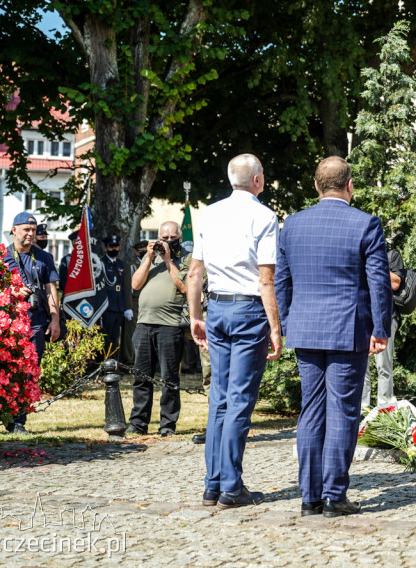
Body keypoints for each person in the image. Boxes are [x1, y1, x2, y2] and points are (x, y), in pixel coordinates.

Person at [275, 157, 392, 518]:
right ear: (350, 185)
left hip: (306, 329)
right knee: (342, 411)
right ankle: (334, 496)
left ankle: (309, 497)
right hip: (347, 329)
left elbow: (282, 281)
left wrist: (284, 324)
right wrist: (381, 328)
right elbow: (378, 282)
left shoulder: (292, 225)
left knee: (310, 411)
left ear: (316, 185)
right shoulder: (365, 224)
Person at [187, 154, 282, 510]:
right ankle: (230, 485)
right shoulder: (264, 216)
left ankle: (213, 484)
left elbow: (195, 273)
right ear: (257, 180)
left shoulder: (209, 213)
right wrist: (275, 327)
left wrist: (195, 316)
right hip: (248, 310)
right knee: (240, 399)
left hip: (217, 306)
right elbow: (266, 279)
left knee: (220, 400)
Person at [128, 221, 189, 437]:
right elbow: (135, 284)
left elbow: (185, 287)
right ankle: (138, 424)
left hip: (169, 326)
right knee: (141, 377)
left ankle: (167, 425)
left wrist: (168, 260)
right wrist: (150, 257)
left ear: (179, 239)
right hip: (144, 324)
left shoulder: (185, 259)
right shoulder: (150, 259)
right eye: (164, 237)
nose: (168, 241)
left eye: (173, 237)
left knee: (169, 378)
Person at [2, 212, 61, 433]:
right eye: (26, 229)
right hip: (8, 325)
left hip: (36, 323)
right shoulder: (2, 256)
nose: (31, 234)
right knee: (7, 372)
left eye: (34, 230)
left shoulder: (44, 257)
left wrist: (55, 319)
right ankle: (3, 416)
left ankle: (18, 421)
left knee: (29, 373)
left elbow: (51, 290)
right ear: (14, 229)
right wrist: (13, 291)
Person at [362, 248, 416, 408]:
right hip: (363, 318)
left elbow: (395, 283)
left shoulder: (391, 255)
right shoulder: (358, 254)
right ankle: (362, 407)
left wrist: (373, 266)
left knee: (384, 366)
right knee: (361, 366)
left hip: (386, 317)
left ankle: (384, 407)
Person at [100, 234, 133, 357]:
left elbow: (124, 287)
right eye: (111, 246)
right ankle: (104, 363)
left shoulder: (121, 264)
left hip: (119, 307)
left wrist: (127, 307)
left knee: (116, 338)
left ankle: (114, 363)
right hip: (107, 306)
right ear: (106, 248)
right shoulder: (101, 263)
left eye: (116, 246)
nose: (114, 249)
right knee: (106, 337)